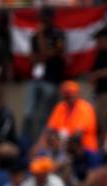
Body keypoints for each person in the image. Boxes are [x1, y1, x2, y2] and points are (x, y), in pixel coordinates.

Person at [22, 8, 66, 148]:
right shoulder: (34, 36)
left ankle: (42, 146)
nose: (41, 21)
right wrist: (42, 54)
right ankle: (26, 144)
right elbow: (33, 58)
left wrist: (41, 37)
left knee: (45, 116)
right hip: (36, 79)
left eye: (44, 18)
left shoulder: (58, 34)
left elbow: (50, 54)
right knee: (28, 114)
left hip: (51, 80)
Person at [40, 81, 98, 153]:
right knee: (42, 152)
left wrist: (58, 141)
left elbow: (78, 135)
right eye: (66, 93)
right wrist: (40, 145)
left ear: (77, 94)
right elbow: (49, 129)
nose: (69, 95)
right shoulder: (60, 107)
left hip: (85, 150)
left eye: (72, 93)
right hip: (62, 146)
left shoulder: (85, 108)